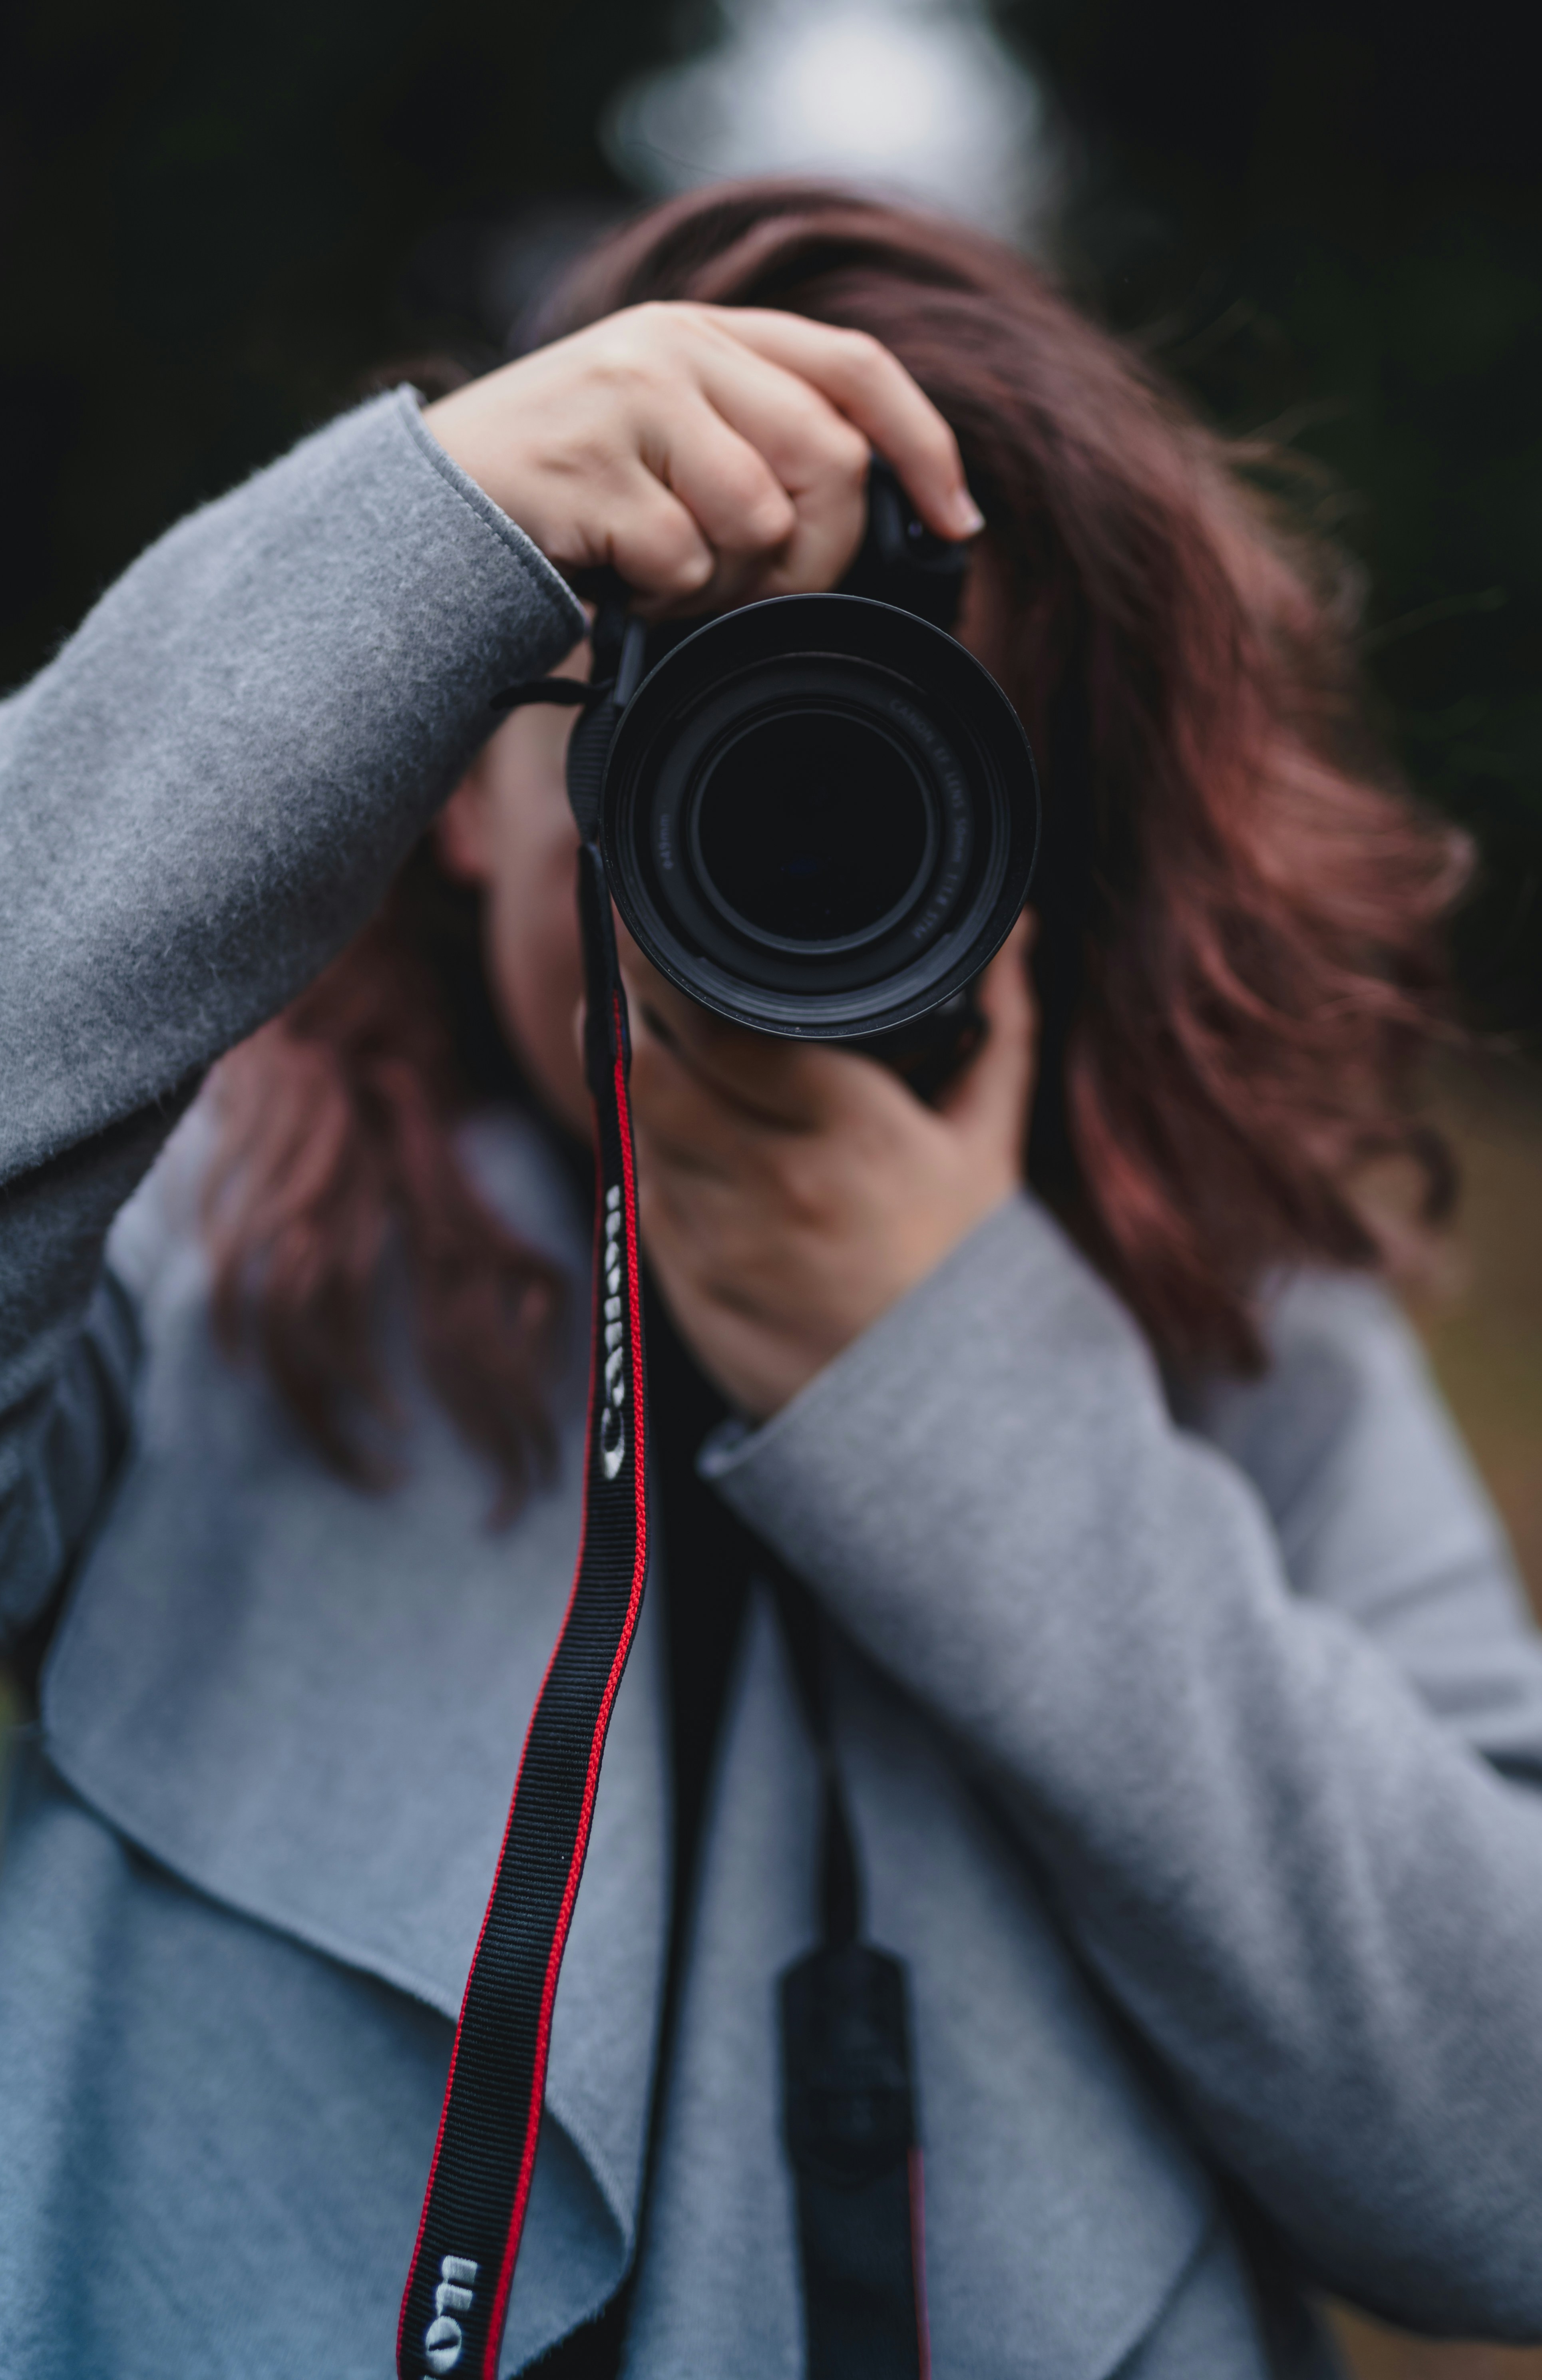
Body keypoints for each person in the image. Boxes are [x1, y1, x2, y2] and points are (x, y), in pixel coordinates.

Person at [3, 179, 1542, 2380]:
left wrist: (959, 1374)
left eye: (897, 741)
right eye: (689, 706)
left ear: (1058, 836)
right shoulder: (212, 1239)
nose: (782, 823)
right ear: (452, 784)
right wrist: (408, 545)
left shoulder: (1231, 1318)